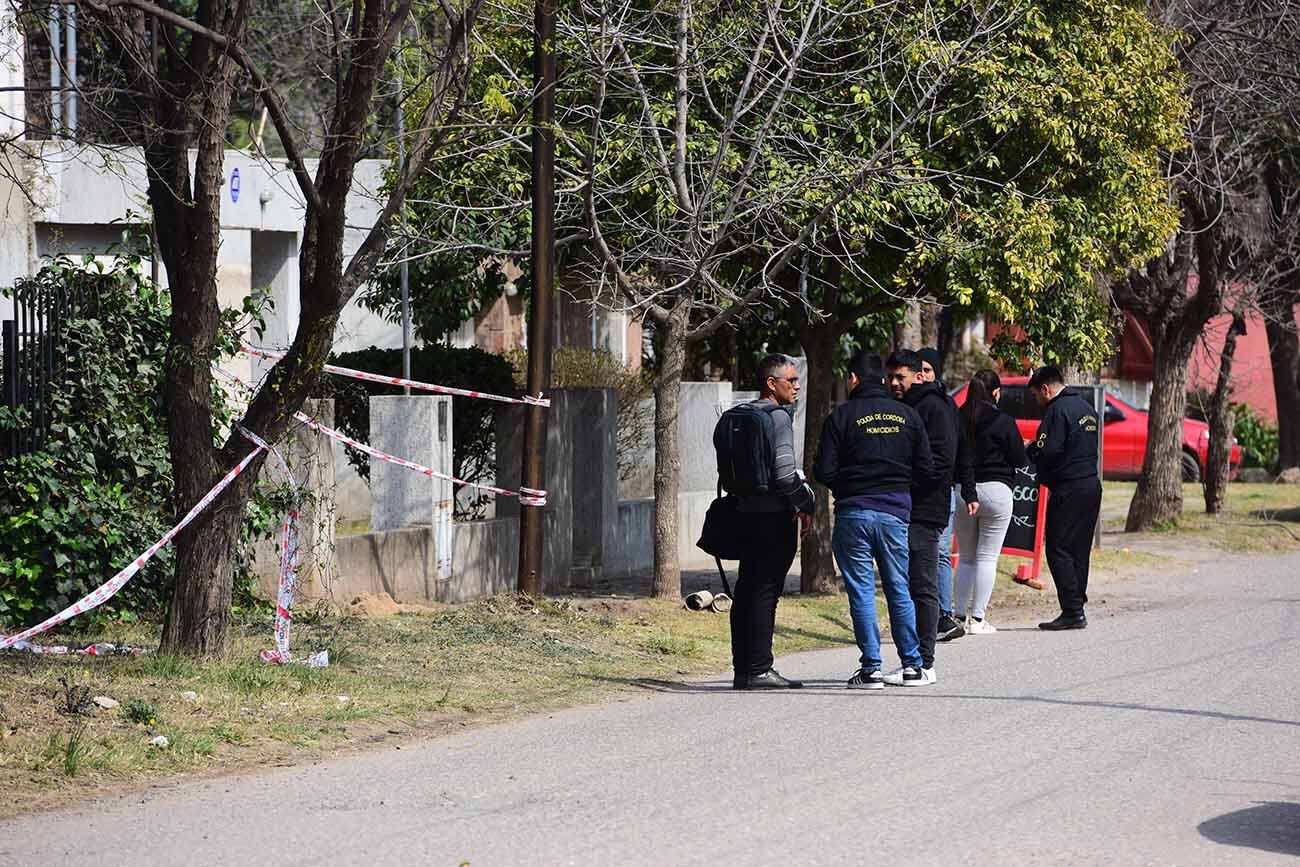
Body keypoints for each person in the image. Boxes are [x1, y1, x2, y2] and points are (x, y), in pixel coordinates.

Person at [816, 351, 935, 688]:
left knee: (862, 593)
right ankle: (913, 665)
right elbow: (927, 469)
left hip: (853, 512)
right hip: (895, 512)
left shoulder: (840, 417)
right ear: (883, 379)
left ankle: (871, 668)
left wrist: (849, 485)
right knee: (899, 589)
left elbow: (823, 471)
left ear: (853, 379)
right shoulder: (909, 416)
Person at [730, 354, 816, 689]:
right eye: (791, 380)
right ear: (771, 383)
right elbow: (784, 473)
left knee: (746, 589)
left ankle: (744, 668)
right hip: (773, 518)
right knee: (766, 592)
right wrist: (805, 502)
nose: (797, 386)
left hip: (743, 512)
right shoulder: (778, 418)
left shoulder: (741, 414)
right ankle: (761, 668)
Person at [886, 349, 959, 684]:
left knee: (923, 584)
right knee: (906, 583)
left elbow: (942, 462)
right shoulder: (904, 408)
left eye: (900, 377)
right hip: (900, 508)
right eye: (890, 377)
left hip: (925, 509)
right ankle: (911, 658)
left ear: (919, 376)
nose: (894, 383)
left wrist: (905, 481)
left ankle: (924, 662)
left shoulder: (935, 407)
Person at [1025, 365, 1101, 630]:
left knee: (1057, 548)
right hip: (1091, 484)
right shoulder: (1086, 409)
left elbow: (1050, 448)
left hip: (1068, 487)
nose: (1037, 401)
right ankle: (1077, 601)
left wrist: (1031, 451)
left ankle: (1071, 610)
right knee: (1079, 549)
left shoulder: (1056, 411)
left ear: (1045, 389)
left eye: (1036, 395)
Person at [953, 369, 1028, 633]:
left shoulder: (958, 417)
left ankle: (958, 615)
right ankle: (978, 619)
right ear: (996, 393)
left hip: (964, 491)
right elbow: (1020, 459)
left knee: (966, 558)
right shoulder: (1003, 420)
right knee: (987, 558)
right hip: (997, 491)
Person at [918, 346, 966, 643]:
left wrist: (968, 488)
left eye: (927, 370)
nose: (922, 375)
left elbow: (960, 451)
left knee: (939, 554)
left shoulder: (945, 406)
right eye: (918, 370)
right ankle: (933, 615)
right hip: (925, 493)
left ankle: (943, 615)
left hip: (942, 491)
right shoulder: (910, 404)